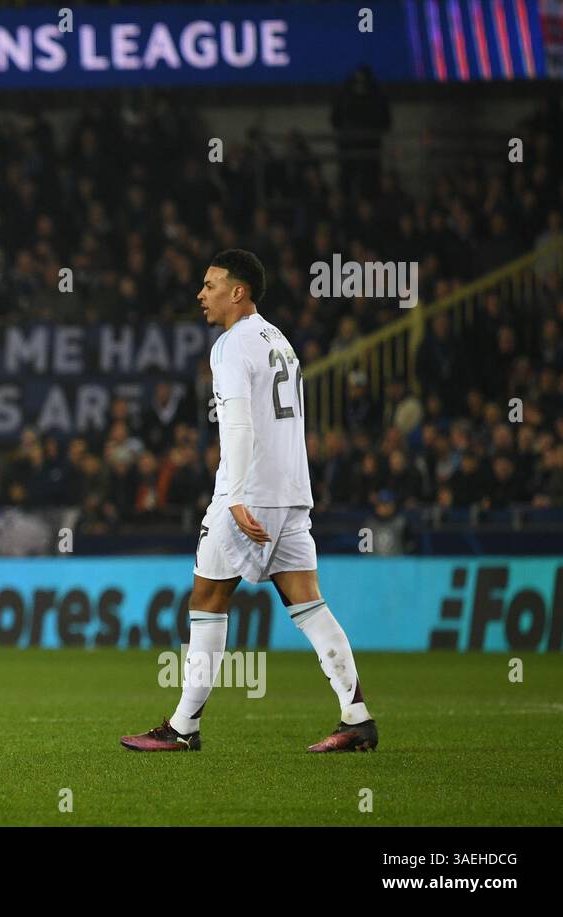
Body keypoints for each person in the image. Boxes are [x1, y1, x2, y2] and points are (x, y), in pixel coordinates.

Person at [121, 250, 378, 753]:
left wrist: (234, 495)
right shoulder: (277, 339)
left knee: (207, 599)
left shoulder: (230, 345)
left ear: (237, 291)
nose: (201, 294)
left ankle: (184, 728)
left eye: (211, 284)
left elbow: (236, 424)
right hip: (291, 492)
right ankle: (357, 717)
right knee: (310, 604)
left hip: (251, 492)